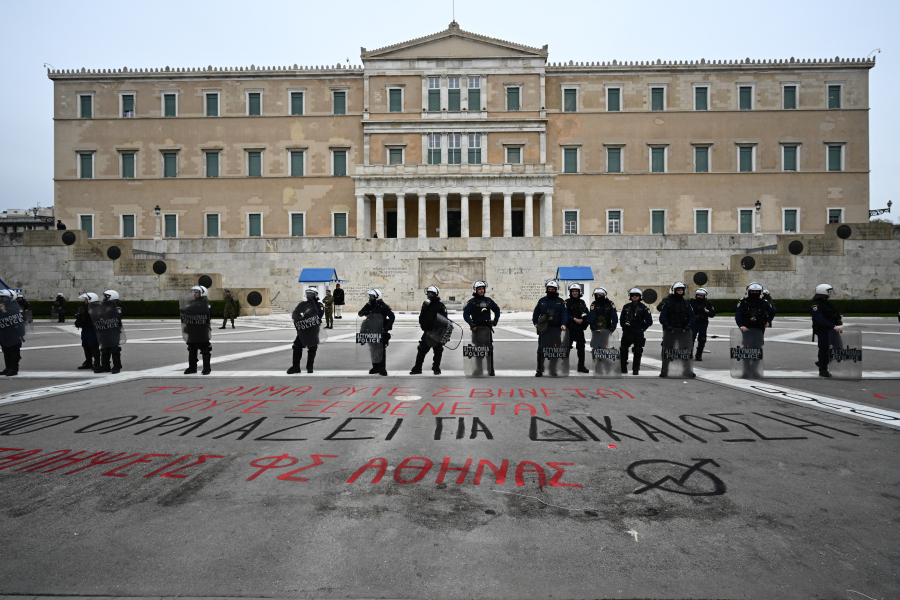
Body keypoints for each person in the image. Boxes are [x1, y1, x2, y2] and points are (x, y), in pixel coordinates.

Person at [658, 282, 696, 378]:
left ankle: (687, 371)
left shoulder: (686, 304)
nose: (680, 292)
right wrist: (667, 326)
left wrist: (688, 326)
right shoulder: (668, 303)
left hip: (683, 331)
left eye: (681, 290)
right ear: (674, 291)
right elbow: (662, 317)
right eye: (678, 290)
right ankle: (665, 371)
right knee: (667, 351)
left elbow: (692, 316)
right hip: (671, 331)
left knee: (685, 351)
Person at [463, 281, 500, 376]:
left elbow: (497, 309)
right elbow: (466, 314)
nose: (481, 290)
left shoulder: (488, 301)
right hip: (477, 329)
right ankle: (479, 369)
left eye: (483, 289)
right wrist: (471, 324)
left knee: (489, 349)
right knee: (479, 350)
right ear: (475, 290)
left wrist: (495, 321)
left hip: (487, 329)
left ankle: (490, 369)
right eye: (479, 289)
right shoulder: (471, 302)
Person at [532, 280, 568, 377]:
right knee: (541, 349)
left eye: (553, 289)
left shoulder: (561, 302)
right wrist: (535, 323)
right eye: (549, 289)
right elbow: (536, 313)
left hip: (556, 330)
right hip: (544, 330)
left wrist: (563, 324)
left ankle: (552, 369)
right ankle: (540, 369)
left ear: (556, 290)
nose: (551, 290)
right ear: (547, 289)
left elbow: (564, 314)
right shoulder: (542, 301)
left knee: (555, 350)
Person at [409, 286, 448, 375]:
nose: (429, 295)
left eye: (432, 293)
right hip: (427, 331)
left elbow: (444, 319)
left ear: (435, 294)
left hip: (437, 332)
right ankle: (417, 368)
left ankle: (436, 368)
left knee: (438, 350)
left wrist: (440, 330)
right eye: (429, 293)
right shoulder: (425, 304)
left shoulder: (441, 306)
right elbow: (421, 316)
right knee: (421, 349)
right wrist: (423, 325)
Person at [358, 289, 394, 376]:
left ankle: (382, 369)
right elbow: (360, 313)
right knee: (373, 350)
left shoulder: (383, 306)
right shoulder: (369, 305)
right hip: (371, 330)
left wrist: (387, 327)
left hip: (380, 331)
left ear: (377, 297)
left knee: (380, 350)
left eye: (372, 296)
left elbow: (392, 316)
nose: (370, 298)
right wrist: (365, 312)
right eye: (370, 296)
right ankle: (375, 367)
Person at [288, 287, 325, 374]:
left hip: (312, 330)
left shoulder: (319, 305)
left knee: (312, 348)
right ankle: (296, 367)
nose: (309, 296)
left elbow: (319, 314)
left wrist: (305, 315)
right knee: (297, 346)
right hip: (303, 329)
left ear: (315, 295)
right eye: (307, 293)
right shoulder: (302, 304)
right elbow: (295, 313)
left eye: (311, 294)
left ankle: (310, 367)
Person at [810, 284, 843, 378]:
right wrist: (833, 326)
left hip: (831, 329)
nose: (830, 294)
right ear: (823, 292)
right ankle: (823, 370)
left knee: (838, 347)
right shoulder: (815, 305)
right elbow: (819, 319)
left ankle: (822, 362)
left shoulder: (826, 303)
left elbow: (830, 313)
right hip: (823, 330)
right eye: (828, 291)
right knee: (824, 349)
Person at [619, 288, 653, 375]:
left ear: (640, 297)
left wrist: (642, 329)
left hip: (638, 331)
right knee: (623, 349)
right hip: (627, 331)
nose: (634, 297)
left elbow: (649, 321)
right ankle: (623, 368)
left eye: (636, 295)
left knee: (638, 350)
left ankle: (635, 369)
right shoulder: (626, 307)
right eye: (632, 295)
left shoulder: (644, 308)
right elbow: (622, 318)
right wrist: (624, 327)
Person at [181, 285, 213, 375]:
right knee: (191, 348)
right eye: (194, 292)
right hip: (192, 329)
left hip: (202, 330)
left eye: (197, 292)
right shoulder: (191, 302)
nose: (195, 294)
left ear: (202, 293)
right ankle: (192, 367)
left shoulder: (205, 303)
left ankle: (207, 368)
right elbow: (185, 312)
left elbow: (206, 313)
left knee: (205, 349)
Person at [586, 287, 619, 373]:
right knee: (595, 349)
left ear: (604, 295)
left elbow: (614, 316)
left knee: (603, 349)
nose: (598, 296)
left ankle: (606, 366)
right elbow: (591, 317)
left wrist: (613, 327)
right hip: (596, 331)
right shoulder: (594, 304)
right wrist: (594, 327)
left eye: (600, 295)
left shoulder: (610, 304)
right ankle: (598, 367)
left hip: (606, 330)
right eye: (597, 295)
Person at [95, 289, 124, 374]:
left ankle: (117, 366)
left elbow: (117, 317)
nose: (104, 298)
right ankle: (105, 366)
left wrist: (107, 315)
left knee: (114, 349)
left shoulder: (117, 307)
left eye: (106, 297)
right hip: (105, 330)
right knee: (104, 348)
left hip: (113, 331)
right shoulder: (104, 307)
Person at [564, 284, 590, 373]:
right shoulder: (566, 302)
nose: (575, 293)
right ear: (571, 292)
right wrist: (573, 319)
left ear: (579, 292)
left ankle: (581, 366)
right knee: (566, 347)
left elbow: (587, 313)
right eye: (573, 291)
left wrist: (583, 320)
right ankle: (564, 366)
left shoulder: (582, 302)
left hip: (579, 328)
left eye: (576, 291)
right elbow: (564, 314)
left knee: (581, 347)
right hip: (569, 328)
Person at [0, 290, 25, 376]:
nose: (2, 299)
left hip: (13, 332)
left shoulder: (14, 305)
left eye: (4, 297)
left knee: (14, 351)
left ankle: (14, 369)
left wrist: (4, 311)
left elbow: (16, 316)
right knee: (5, 350)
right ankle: (8, 367)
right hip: (3, 332)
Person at [74, 292, 100, 371]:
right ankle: (88, 362)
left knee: (93, 345)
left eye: (86, 299)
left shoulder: (96, 308)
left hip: (91, 330)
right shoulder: (87, 307)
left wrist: (86, 316)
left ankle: (97, 363)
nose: (85, 300)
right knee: (85, 345)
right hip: (85, 329)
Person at [689, 288, 716, 361]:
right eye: (698, 295)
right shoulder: (691, 302)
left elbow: (712, 314)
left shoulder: (708, 303)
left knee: (702, 339)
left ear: (704, 296)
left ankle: (699, 355)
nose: (699, 297)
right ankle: (689, 354)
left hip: (703, 323)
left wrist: (706, 310)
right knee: (691, 338)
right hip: (693, 322)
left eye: (701, 295)